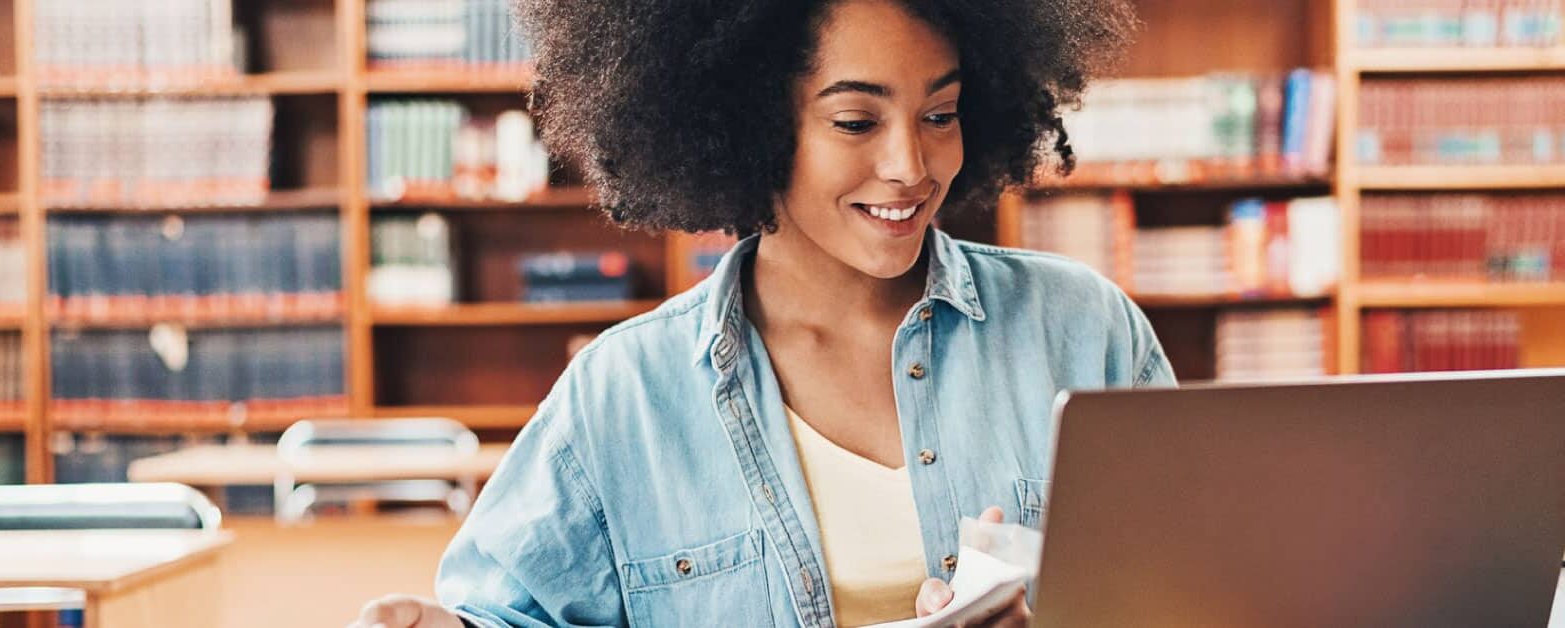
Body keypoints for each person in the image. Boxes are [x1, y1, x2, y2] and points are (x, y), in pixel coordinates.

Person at [353, 0, 1160, 625]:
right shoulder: (625, 395)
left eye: (939, 114)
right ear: (750, 125)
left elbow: (1201, 592)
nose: (909, 165)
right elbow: (504, 613)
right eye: (855, 121)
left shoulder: (1081, 331)